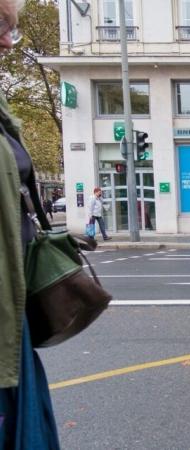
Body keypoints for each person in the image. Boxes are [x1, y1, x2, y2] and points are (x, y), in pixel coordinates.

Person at [0, 0, 61, 447]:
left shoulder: (1, 110)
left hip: (10, 296)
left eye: (11, 29)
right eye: (2, 26)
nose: (7, 40)